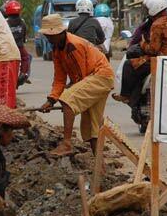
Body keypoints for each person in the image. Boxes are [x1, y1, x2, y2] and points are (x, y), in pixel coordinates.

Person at [39, 14, 115, 156]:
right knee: (91, 126)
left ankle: (66, 144)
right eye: (47, 36)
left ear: (60, 33)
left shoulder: (74, 45)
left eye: (51, 35)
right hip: (94, 78)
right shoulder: (56, 50)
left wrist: (67, 102)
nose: (49, 39)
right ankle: (100, 168)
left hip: (100, 75)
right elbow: (59, 79)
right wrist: (51, 99)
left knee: (68, 99)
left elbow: (81, 76)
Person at [113, 0, 167, 116]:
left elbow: (153, 50)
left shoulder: (157, 24)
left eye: (148, 8)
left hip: (159, 60)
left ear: (155, 8)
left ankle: (126, 95)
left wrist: (143, 43)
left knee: (129, 65)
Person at [4, 0, 31, 86]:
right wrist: (22, 40)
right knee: (26, 57)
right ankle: (23, 73)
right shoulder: (22, 21)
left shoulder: (5, 22)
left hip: (8, 47)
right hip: (19, 46)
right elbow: (24, 32)